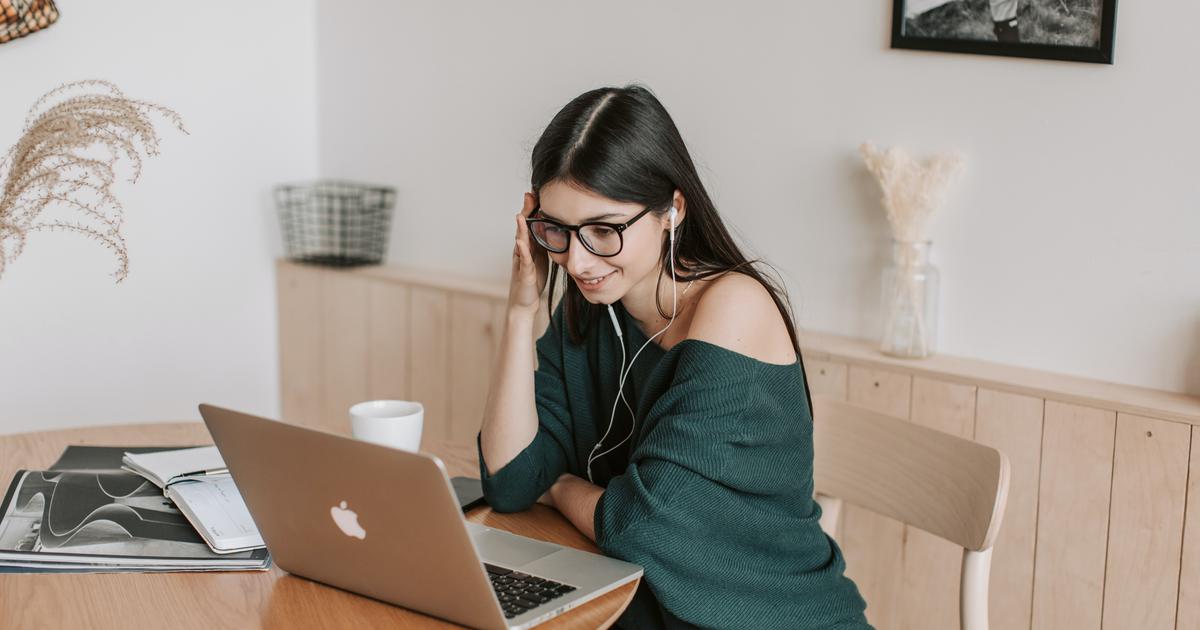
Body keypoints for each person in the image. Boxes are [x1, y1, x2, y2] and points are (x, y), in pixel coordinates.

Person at [477, 84, 871, 629]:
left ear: (673, 210)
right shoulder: (595, 302)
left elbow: (640, 523)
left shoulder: (733, 306)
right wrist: (522, 310)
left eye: (604, 229)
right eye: (558, 232)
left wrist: (561, 484)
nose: (578, 259)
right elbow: (511, 481)